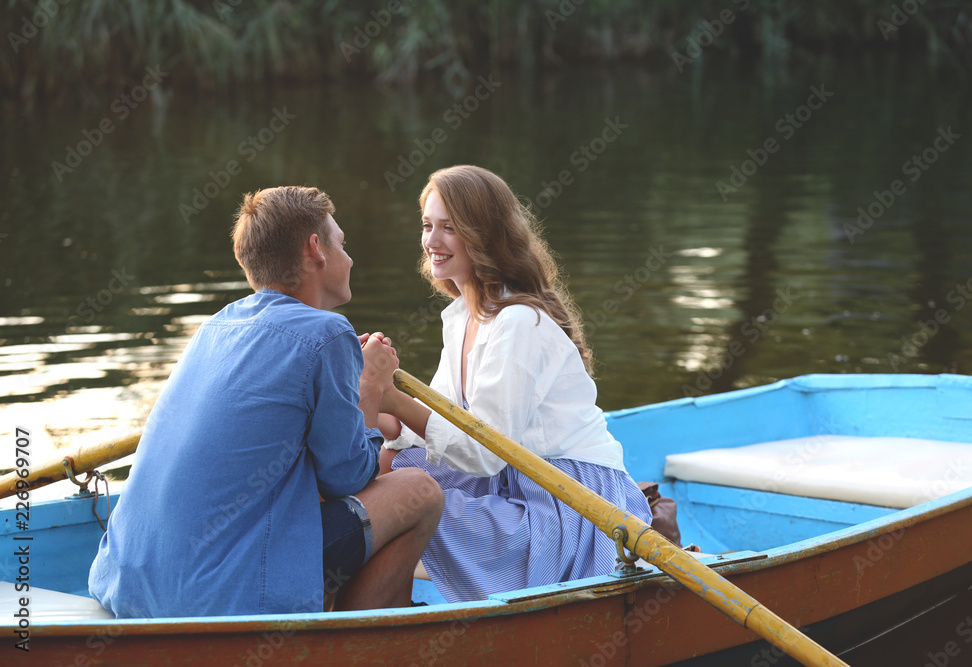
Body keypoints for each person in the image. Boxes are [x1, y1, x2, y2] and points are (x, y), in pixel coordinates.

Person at [88, 186, 443, 618]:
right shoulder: (327, 333)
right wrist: (370, 386)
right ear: (316, 249)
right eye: (343, 244)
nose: (349, 259)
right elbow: (346, 478)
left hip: (124, 583)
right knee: (419, 491)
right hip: (218, 595)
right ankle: (366, 646)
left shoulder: (213, 328)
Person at [378, 165, 653, 603]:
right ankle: (380, 604)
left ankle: (388, 614)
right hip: (511, 477)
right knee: (390, 463)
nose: (431, 241)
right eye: (428, 225)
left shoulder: (518, 322)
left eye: (449, 228)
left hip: (568, 499)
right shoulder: (462, 318)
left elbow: (485, 449)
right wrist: (383, 412)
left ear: (484, 235)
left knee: (404, 496)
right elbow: (444, 423)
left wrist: (392, 396)